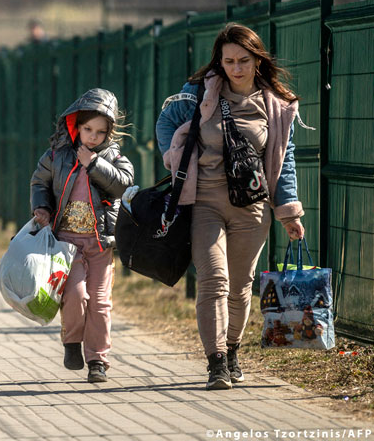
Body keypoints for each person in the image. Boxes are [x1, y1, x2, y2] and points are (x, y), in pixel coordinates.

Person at [155, 23, 306, 391]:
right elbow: (165, 123)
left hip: (251, 209)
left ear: (257, 60)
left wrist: (288, 213)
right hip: (203, 202)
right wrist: (173, 157)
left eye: (243, 60)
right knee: (213, 280)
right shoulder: (198, 92)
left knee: (240, 287)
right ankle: (216, 362)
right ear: (219, 62)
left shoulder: (276, 105)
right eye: (228, 61)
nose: (236, 68)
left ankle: (233, 349)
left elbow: (284, 161)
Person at [30, 88, 134, 383]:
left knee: (100, 303)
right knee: (75, 297)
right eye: (88, 129)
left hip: (101, 244)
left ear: (109, 133)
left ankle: (98, 360)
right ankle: (71, 342)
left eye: (100, 132)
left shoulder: (114, 157)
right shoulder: (57, 155)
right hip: (66, 245)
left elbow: (123, 184)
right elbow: (40, 181)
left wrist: (94, 163)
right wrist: (41, 207)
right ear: (75, 125)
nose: (92, 137)